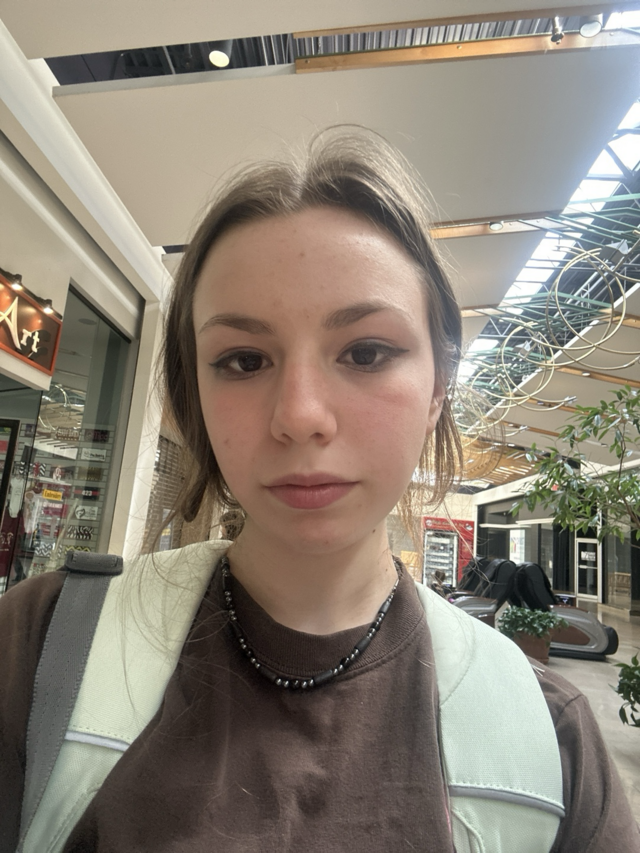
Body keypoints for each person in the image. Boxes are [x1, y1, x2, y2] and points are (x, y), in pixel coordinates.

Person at [0, 128, 638, 853]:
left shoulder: (547, 744)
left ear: (438, 388)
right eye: (245, 360)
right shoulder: (43, 648)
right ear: (194, 392)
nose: (300, 415)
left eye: (366, 351)